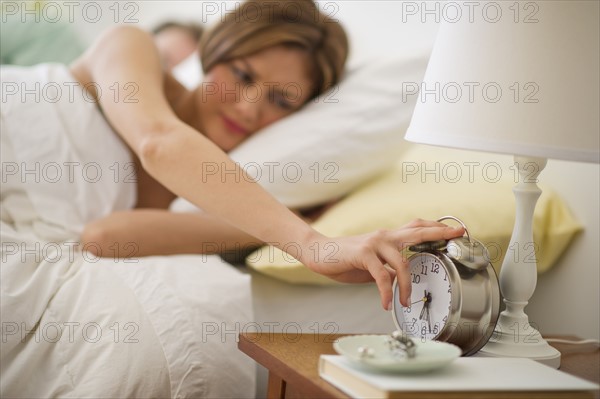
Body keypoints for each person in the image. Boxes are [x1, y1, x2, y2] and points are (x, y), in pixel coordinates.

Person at [2, 0, 464, 311]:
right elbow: (156, 140)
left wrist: (285, 217)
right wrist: (309, 243)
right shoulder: (130, 47)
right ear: (213, 52)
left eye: (281, 101)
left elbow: (103, 237)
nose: (248, 107)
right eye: (242, 75)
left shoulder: (216, 189)